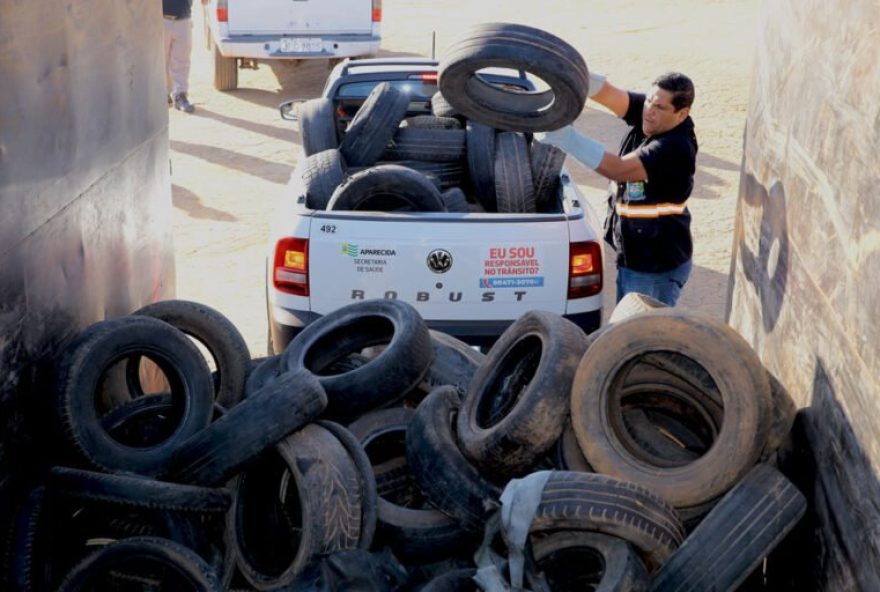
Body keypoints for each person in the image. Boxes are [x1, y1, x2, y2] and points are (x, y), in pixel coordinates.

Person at [536, 71, 697, 306]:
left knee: (639, 334)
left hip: (654, 266)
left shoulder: (674, 148)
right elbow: (612, 96)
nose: (649, 110)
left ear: (682, 114)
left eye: (659, 107)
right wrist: (579, 77)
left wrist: (567, 138)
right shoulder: (654, 112)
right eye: (649, 100)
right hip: (636, 256)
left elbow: (619, 170)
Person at [163, 0, 208, 113]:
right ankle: (162, 93)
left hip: (183, 18)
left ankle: (180, 95)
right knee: (160, 59)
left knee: (182, 60)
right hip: (160, 18)